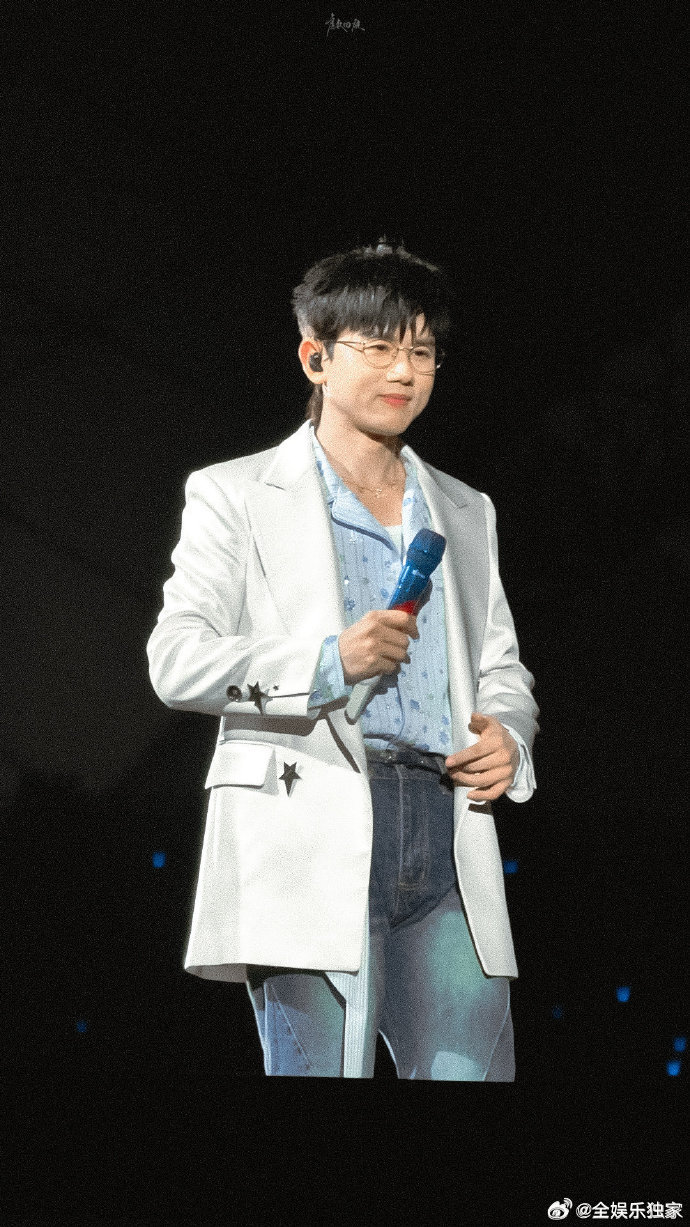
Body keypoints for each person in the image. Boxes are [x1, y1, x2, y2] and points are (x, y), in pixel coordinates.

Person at [147, 239, 539, 1079]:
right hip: (308, 825)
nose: (405, 370)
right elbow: (177, 659)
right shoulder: (236, 493)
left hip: (447, 829)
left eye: (423, 352)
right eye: (380, 346)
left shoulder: (465, 508)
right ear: (315, 357)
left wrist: (508, 734)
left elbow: (501, 665)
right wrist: (328, 662)